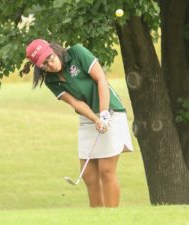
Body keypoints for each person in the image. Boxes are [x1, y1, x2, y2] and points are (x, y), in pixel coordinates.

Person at [26, 39, 133, 207]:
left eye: (50, 58)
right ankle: (97, 218)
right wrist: (96, 119)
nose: (51, 65)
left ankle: (113, 218)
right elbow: (76, 103)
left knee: (106, 170)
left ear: (53, 50)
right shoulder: (51, 81)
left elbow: (101, 80)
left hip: (111, 110)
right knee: (89, 174)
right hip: (88, 117)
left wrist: (103, 114)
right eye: (44, 65)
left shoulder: (76, 53)